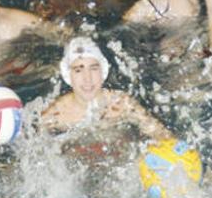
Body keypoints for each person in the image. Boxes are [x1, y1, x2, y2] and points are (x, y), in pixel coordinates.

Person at [39, 36, 172, 141]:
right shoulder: (54, 115)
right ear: (68, 75)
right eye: (78, 70)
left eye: (94, 68)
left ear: (103, 71)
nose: (87, 78)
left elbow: (162, 135)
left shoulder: (121, 104)